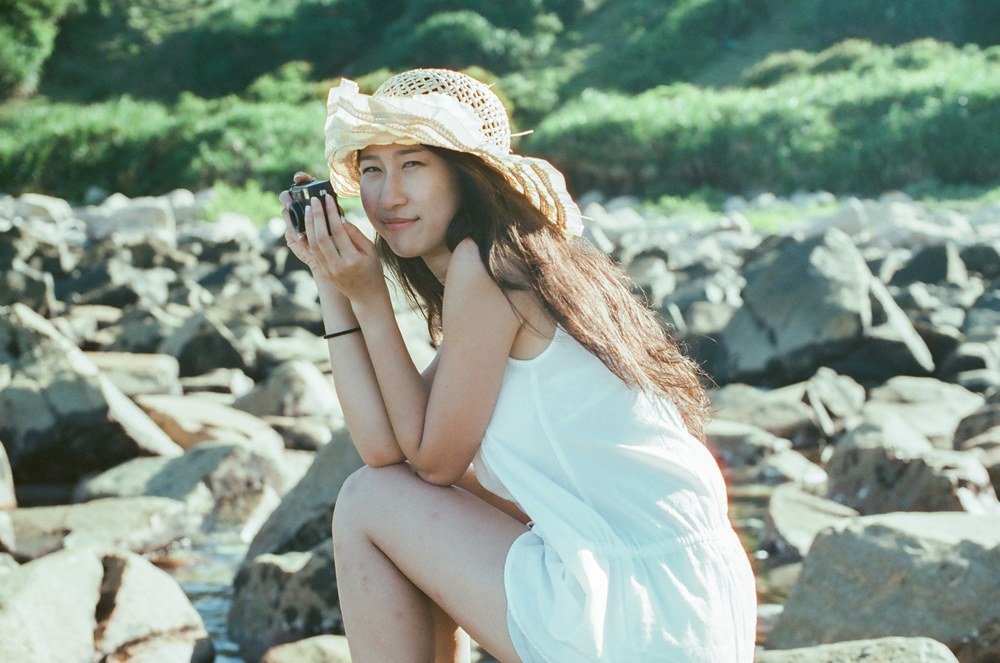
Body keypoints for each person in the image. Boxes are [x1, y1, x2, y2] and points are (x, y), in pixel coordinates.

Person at [280, 68, 756, 663]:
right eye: (371, 169)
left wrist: (374, 302)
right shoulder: (520, 262)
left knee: (365, 503)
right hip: (686, 600)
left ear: (466, 173)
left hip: (634, 605)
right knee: (374, 492)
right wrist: (333, 282)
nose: (388, 194)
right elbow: (384, 450)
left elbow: (431, 463)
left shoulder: (491, 270)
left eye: (414, 164)